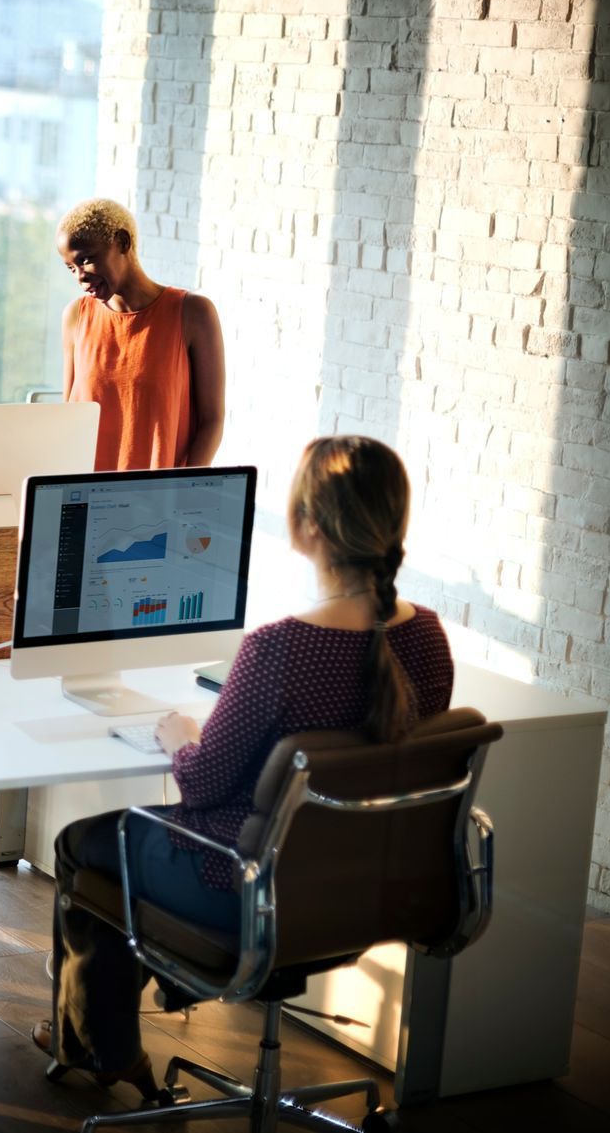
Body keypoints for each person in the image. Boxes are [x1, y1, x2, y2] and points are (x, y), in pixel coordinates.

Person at [32, 435, 452, 1101]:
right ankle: (99, 1034)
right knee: (120, 843)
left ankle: (99, 1047)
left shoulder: (279, 648)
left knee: (84, 843)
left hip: (240, 882)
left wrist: (182, 735)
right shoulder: (426, 636)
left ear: (307, 524)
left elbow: (199, 784)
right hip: (363, 891)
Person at [58, 198, 225, 471]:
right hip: (87, 498)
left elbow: (212, 420)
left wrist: (186, 489)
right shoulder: (76, 317)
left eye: (85, 260)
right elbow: (70, 417)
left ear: (123, 242)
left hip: (162, 499)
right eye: (70, 267)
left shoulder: (193, 313)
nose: (79, 276)